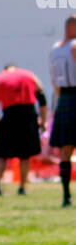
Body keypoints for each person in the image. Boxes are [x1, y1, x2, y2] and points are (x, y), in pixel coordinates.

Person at [0, 64, 46, 197]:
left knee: (1, 154)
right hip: (28, 115)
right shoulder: (30, 76)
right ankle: (22, 187)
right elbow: (42, 99)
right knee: (25, 155)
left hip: (9, 116)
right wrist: (42, 120)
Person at [49, 16, 76, 208]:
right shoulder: (74, 46)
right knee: (66, 150)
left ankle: (66, 196)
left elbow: (53, 80)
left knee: (65, 150)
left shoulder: (55, 48)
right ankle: (66, 195)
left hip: (64, 98)